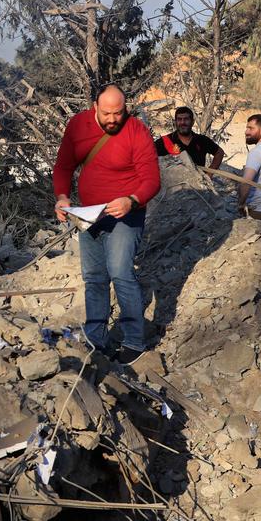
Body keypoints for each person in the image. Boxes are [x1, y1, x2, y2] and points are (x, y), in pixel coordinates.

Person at [53, 84, 161, 364]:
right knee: (94, 276)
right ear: (94, 108)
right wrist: (62, 196)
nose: (113, 119)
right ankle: (96, 338)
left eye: (119, 113)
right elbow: (64, 166)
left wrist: (132, 200)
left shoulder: (137, 130)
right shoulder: (78, 126)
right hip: (89, 215)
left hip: (126, 214)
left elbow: (151, 179)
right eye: (107, 113)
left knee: (120, 272)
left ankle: (134, 341)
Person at [154, 106, 224, 169]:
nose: (182, 122)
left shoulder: (202, 140)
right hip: (173, 183)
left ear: (192, 122)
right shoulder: (165, 141)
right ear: (175, 122)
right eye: (179, 119)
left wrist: (209, 173)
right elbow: (148, 157)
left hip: (197, 182)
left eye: (186, 119)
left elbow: (219, 152)